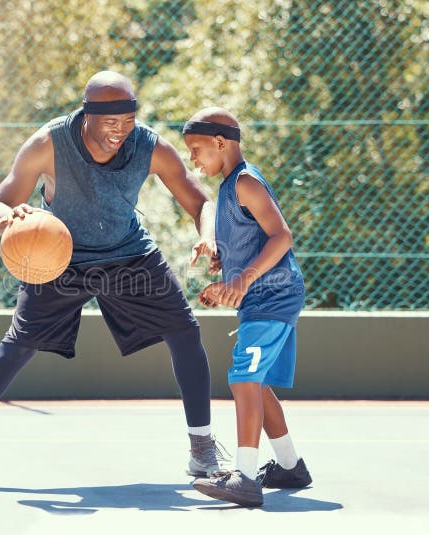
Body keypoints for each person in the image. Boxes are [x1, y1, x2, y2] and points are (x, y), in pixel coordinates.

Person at [0, 71, 222, 490]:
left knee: (185, 331)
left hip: (129, 255)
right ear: (87, 116)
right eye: (110, 122)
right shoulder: (48, 144)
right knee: (18, 345)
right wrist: (7, 219)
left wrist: (208, 237)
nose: (120, 131)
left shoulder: (150, 146)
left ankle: (202, 449)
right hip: (58, 259)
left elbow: (199, 201)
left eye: (128, 120)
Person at [181, 107, 312, 507]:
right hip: (260, 297)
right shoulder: (227, 190)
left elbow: (281, 237)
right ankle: (289, 466)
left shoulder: (246, 182)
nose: (193, 159)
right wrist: (226, 273)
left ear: (221, 143)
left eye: (197, 149)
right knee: (256, 383)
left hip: (273, 295)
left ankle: (246, 476)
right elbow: (249, 242)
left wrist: (242, 280)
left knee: (242, 377)